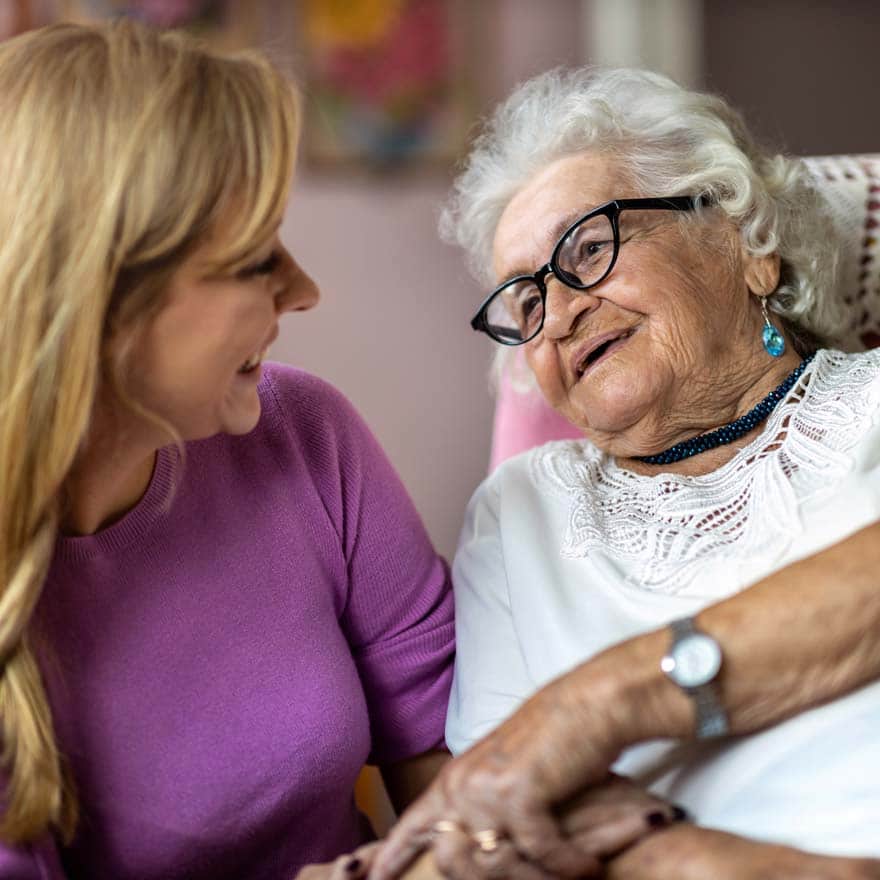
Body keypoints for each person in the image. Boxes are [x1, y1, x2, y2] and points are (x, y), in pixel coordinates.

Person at [372, 68, 880, 880]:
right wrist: (693, 861)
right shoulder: (523, 511)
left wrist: (598, 705)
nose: (561, 312)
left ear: (747, 244)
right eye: (526, 300)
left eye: (590, 248)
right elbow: (502, 818)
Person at [0, 20, 462, 879]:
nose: (304, 291)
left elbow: (460, 772)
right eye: (256, 260)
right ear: (103, 298)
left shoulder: (306, 435)